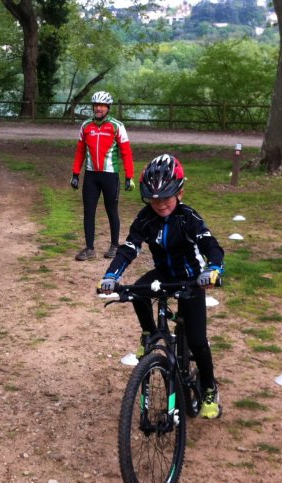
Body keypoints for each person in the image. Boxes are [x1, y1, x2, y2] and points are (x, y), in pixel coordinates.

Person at [98, 154, 225, 419]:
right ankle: (149, 333)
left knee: (199, 340)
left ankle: (210, 388)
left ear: (180, 193)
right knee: (137, 292)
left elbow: (210, 245)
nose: (160, 204)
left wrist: (213, 269)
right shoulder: (145, 219)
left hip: (191, 278)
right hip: (164, 274)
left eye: (166, 197)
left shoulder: (188, 217)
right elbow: (129, 248)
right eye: (153, 199)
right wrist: (111, 276)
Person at [71, 91, 135, 261]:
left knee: (111, 210)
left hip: (110, 176)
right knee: (88, 211)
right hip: (91, 176)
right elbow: (80, 151)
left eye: (102, 106)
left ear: (108, 107)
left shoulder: (117, 126)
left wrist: (129, 176)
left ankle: (114, 245)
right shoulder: (86, 126)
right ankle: (89, 248)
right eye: (96, 105)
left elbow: (126, 152)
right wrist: (75, 173)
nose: (98, 108)